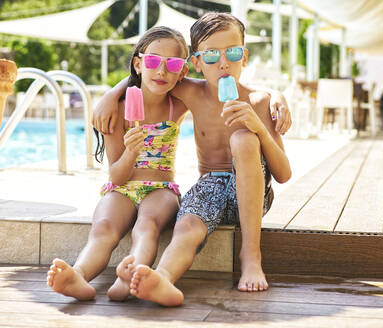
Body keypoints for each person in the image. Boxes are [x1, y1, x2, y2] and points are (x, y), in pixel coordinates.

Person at [94, 12, 291, 306]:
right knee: (186, 225)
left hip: (252, 195)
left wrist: (259, 126)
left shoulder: (260, 102)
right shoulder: (191, 91)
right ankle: (161, 279)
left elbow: (284, 173)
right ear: (195, 64)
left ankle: (251, 256)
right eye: (211, 56)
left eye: (233, 53)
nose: (223, 63)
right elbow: (153, 74)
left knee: (243, 138)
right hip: (210, 183)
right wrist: (111, 94)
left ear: (245, 57)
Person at [46, 26, 190, 302]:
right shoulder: (118, 110)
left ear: (182, 71)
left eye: (172, 64)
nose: (161, 72)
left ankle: (133, 274)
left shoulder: (178, 104)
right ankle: (78, 275)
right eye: (152, 61)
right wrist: (130, 152)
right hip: (122, 186)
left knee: (147, 225)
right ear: (138, 62)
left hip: (161, 188)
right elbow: (117, 175)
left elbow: (211, 90)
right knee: (103, 228)